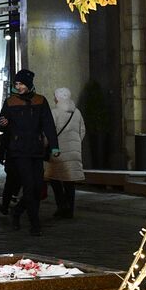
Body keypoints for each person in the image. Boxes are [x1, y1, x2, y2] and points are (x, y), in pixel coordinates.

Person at [0, 69, 59, 236]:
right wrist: (2, 124)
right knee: (29, 186)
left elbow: (48, 125)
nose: (18, 87)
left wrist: (54, 146)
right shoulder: (11, 102)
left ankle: (17, 212)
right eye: (16, 84)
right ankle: (34, 223)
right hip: (18, 151)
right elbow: (0, 126)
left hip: (36, 151)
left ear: (29, 84)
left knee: (38, 188)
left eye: (21, 84)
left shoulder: (40, 101)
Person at [44, 87, 86, 219]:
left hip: (58, 152)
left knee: (55, 179)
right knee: (69, 182)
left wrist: (46, 145)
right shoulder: (77, 112)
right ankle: (70, 209)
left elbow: (49, 132)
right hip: (74, 151)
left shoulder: (54, 112)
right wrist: (76, 143)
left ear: (57, 98)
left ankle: (61, 207)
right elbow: (82, 130)